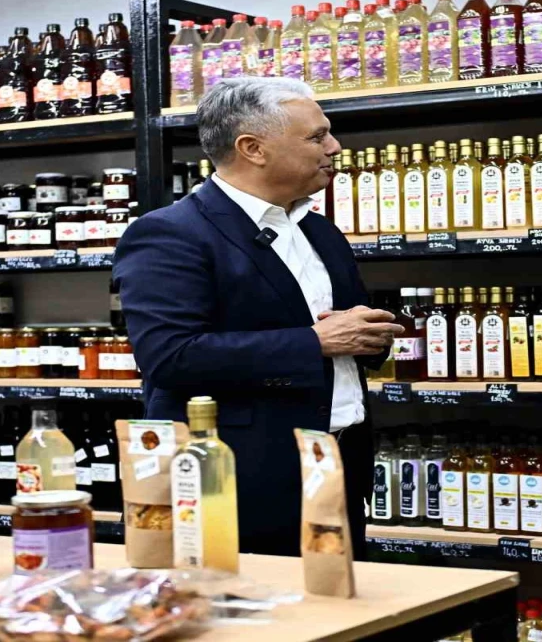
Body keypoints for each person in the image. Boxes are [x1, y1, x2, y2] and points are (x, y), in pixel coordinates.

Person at [113, 77, 402, 558]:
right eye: (317, 136)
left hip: (335, 469)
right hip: (237, 481)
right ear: (253, 148)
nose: (334, 147)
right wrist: (316, 342)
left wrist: (370, 337)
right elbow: (170, 357)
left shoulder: (320, 231)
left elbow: (349, 336)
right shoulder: (170, 233)